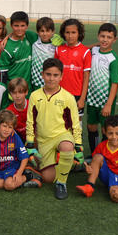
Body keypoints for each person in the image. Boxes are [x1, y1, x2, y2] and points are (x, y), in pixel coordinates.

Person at [26, 58, 83, 200]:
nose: (51, 78)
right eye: (48, 74)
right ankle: (68, 164)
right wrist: (30, 144)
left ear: (61, 76)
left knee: (67, 147)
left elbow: (75, 124)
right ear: (42, 74)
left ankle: (62, 183)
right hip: (44, 140)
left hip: (61, 135)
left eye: (55, 75)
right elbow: (30, 122)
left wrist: (78, 146)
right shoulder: (34, 96)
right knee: (47, 177)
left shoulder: (68, 97)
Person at [76, 115, 118, 202]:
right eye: (110, 133)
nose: (114, 137)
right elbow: (94, 161)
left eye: (117, 133)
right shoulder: (102, 146)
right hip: (105, 174)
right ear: (105, 132)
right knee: (98, 157)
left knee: (117, 197)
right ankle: (89, 187)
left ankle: (113, 188)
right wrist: (89, 168)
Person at [86, 23, 118, 155]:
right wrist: (95, 45)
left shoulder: (113, 59)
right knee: (91, 126)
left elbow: (115, 83)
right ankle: (96, 153)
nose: (105, 40)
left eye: (109, 37)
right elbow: (83, 49)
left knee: (107, 129)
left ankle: (106, 155)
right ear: (98, 36)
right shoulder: (94, 51)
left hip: (105, 101)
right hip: (92, 98)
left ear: (114, 40)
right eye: (102, 36)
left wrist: (109, 104)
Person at [54, 18, 91, 121]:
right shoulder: (59, 50)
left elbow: (86, 76)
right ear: (63, 34)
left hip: (77, 95)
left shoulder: (85, 51)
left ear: (79, 33)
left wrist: (82, 98)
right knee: (59, 122)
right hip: (59, 93)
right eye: (67, 32)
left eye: (73, 32)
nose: (70, 36)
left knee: (75, 125)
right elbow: (55, 73)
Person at [0, 11, 37, 91]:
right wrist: (5, 90)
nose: (20, 29)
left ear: (27, 26)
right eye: (16, 26)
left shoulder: (30, 36)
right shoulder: (6, 47)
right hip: (13, 88)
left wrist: (7, 36)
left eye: (22, 26)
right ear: (11, 26)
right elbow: (3, 72)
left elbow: (46, 36)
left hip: (28, 87)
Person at [6, 77, 29, 143]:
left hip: (34, 138)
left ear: (26, 92)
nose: (17, 96)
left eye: (20, 92)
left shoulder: (32, 106)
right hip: (17, 140)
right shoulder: (9, 111)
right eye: (14, 93)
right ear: (10, 94)